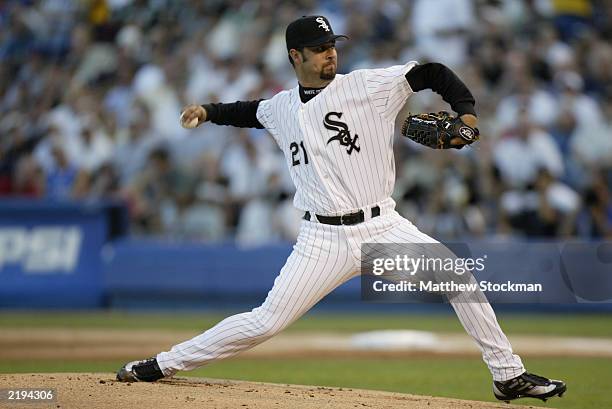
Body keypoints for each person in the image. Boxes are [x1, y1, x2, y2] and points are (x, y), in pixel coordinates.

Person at [116, 16, 566, 403]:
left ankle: (507, 376)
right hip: (322, 241)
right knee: (264, 323)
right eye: (319, 49)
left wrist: (465, 113)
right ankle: (161, 364)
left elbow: (432, 72)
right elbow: (247, 111)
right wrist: (208, 111)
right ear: (296, 56)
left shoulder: (368, 86)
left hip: (381, 226)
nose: (330, 55)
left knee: (456, 275)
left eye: (332, 46)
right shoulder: (281, 108)